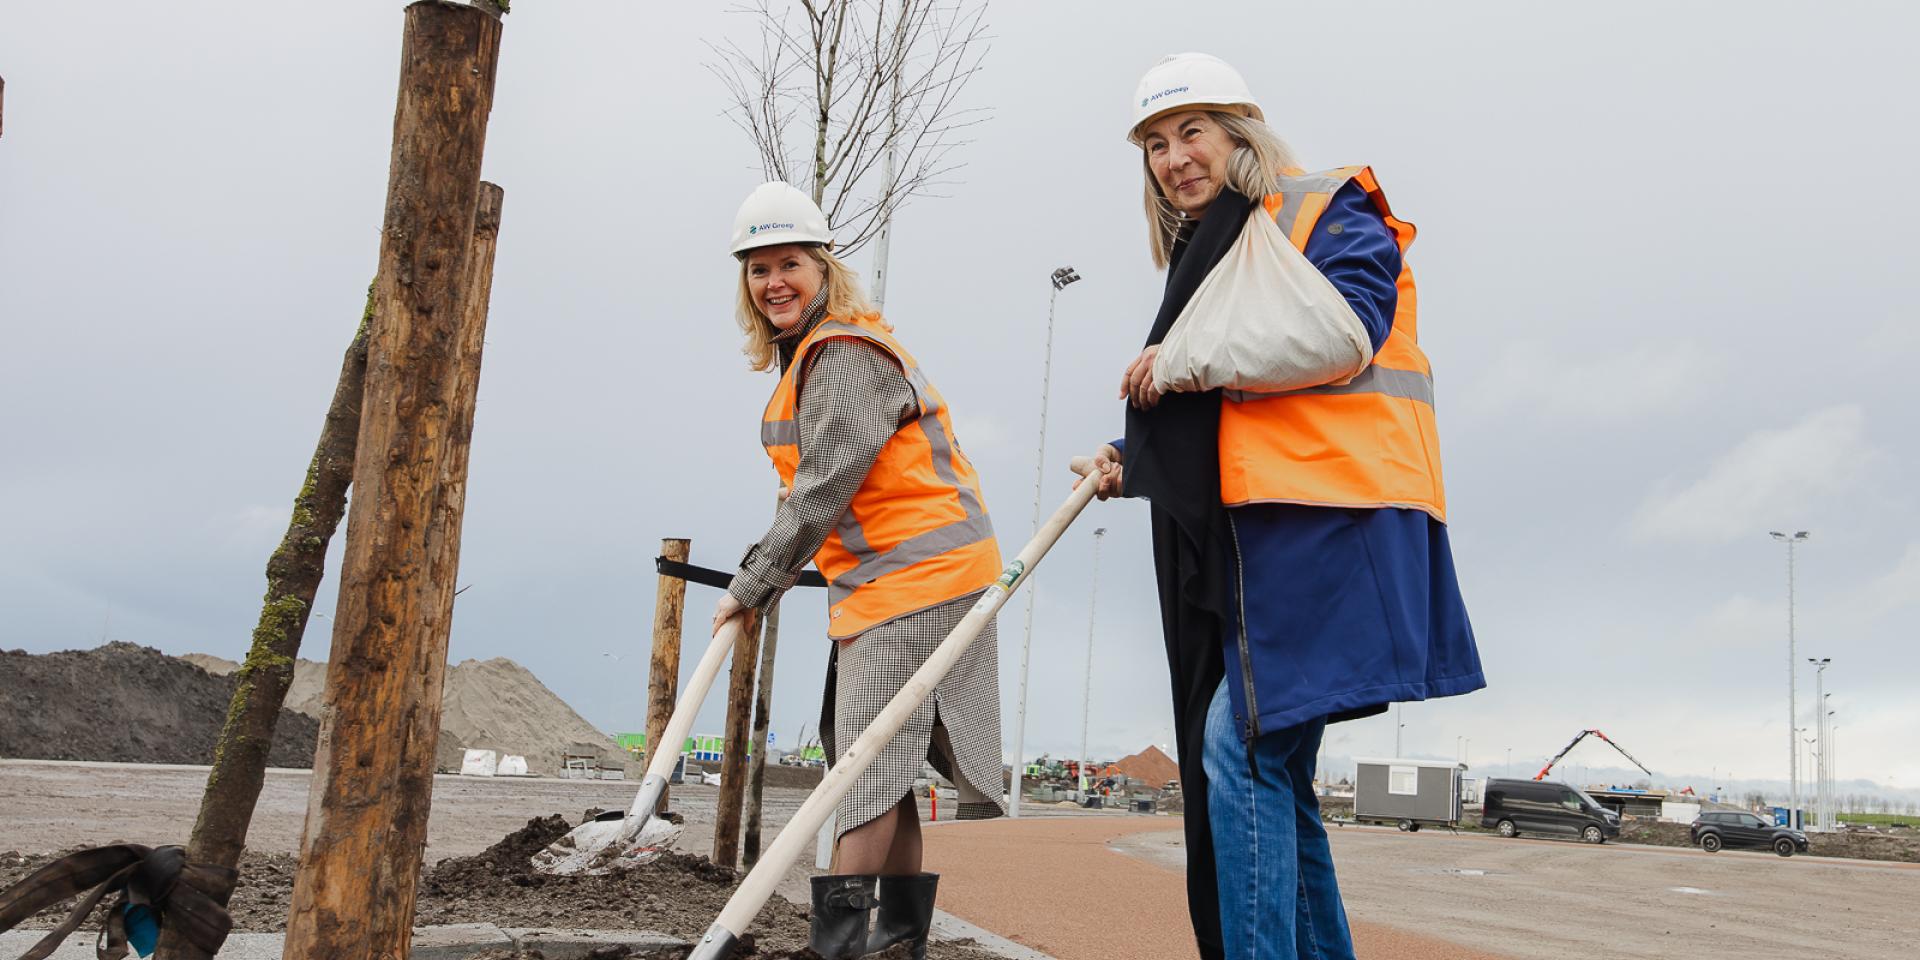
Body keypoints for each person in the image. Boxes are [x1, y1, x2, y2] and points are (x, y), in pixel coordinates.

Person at [1080, 54, 1487, 960]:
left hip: (1341, 521)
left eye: (1193, 131)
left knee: (1240, 751)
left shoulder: (1319, 208)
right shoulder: (1219, 254)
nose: (1175, 157)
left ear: (1241, 130)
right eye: (1155, 143)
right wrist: (1130, 456)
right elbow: (1231, 407)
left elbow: (1342, 331)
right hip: (1274, 537)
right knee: (1274, 771)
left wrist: (1180, 363)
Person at [712, 181, 1007, 960]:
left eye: (790, 264)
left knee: (862, 772)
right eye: (757, 268)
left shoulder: (841, 352)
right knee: (885, 763)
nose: (774, 281)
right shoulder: (815, 354)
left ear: (823, 269)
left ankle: (835, 952)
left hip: (920, 577)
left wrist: (753, 585)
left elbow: (825, 484)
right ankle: (889, 949)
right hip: (892, 582)